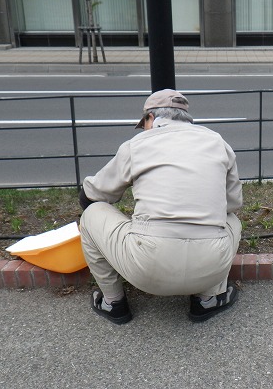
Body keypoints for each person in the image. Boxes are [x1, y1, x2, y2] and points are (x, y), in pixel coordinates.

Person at [78, 89, 243, 324]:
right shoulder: (217, 141)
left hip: (148, 268)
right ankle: (207, 299)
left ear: (151, 118)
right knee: (232, 220)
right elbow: (233, 202)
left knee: (91, 214)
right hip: (211, 267)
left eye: (144, 124)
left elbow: (95, 193)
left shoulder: (138, 144)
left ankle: (113, 303)